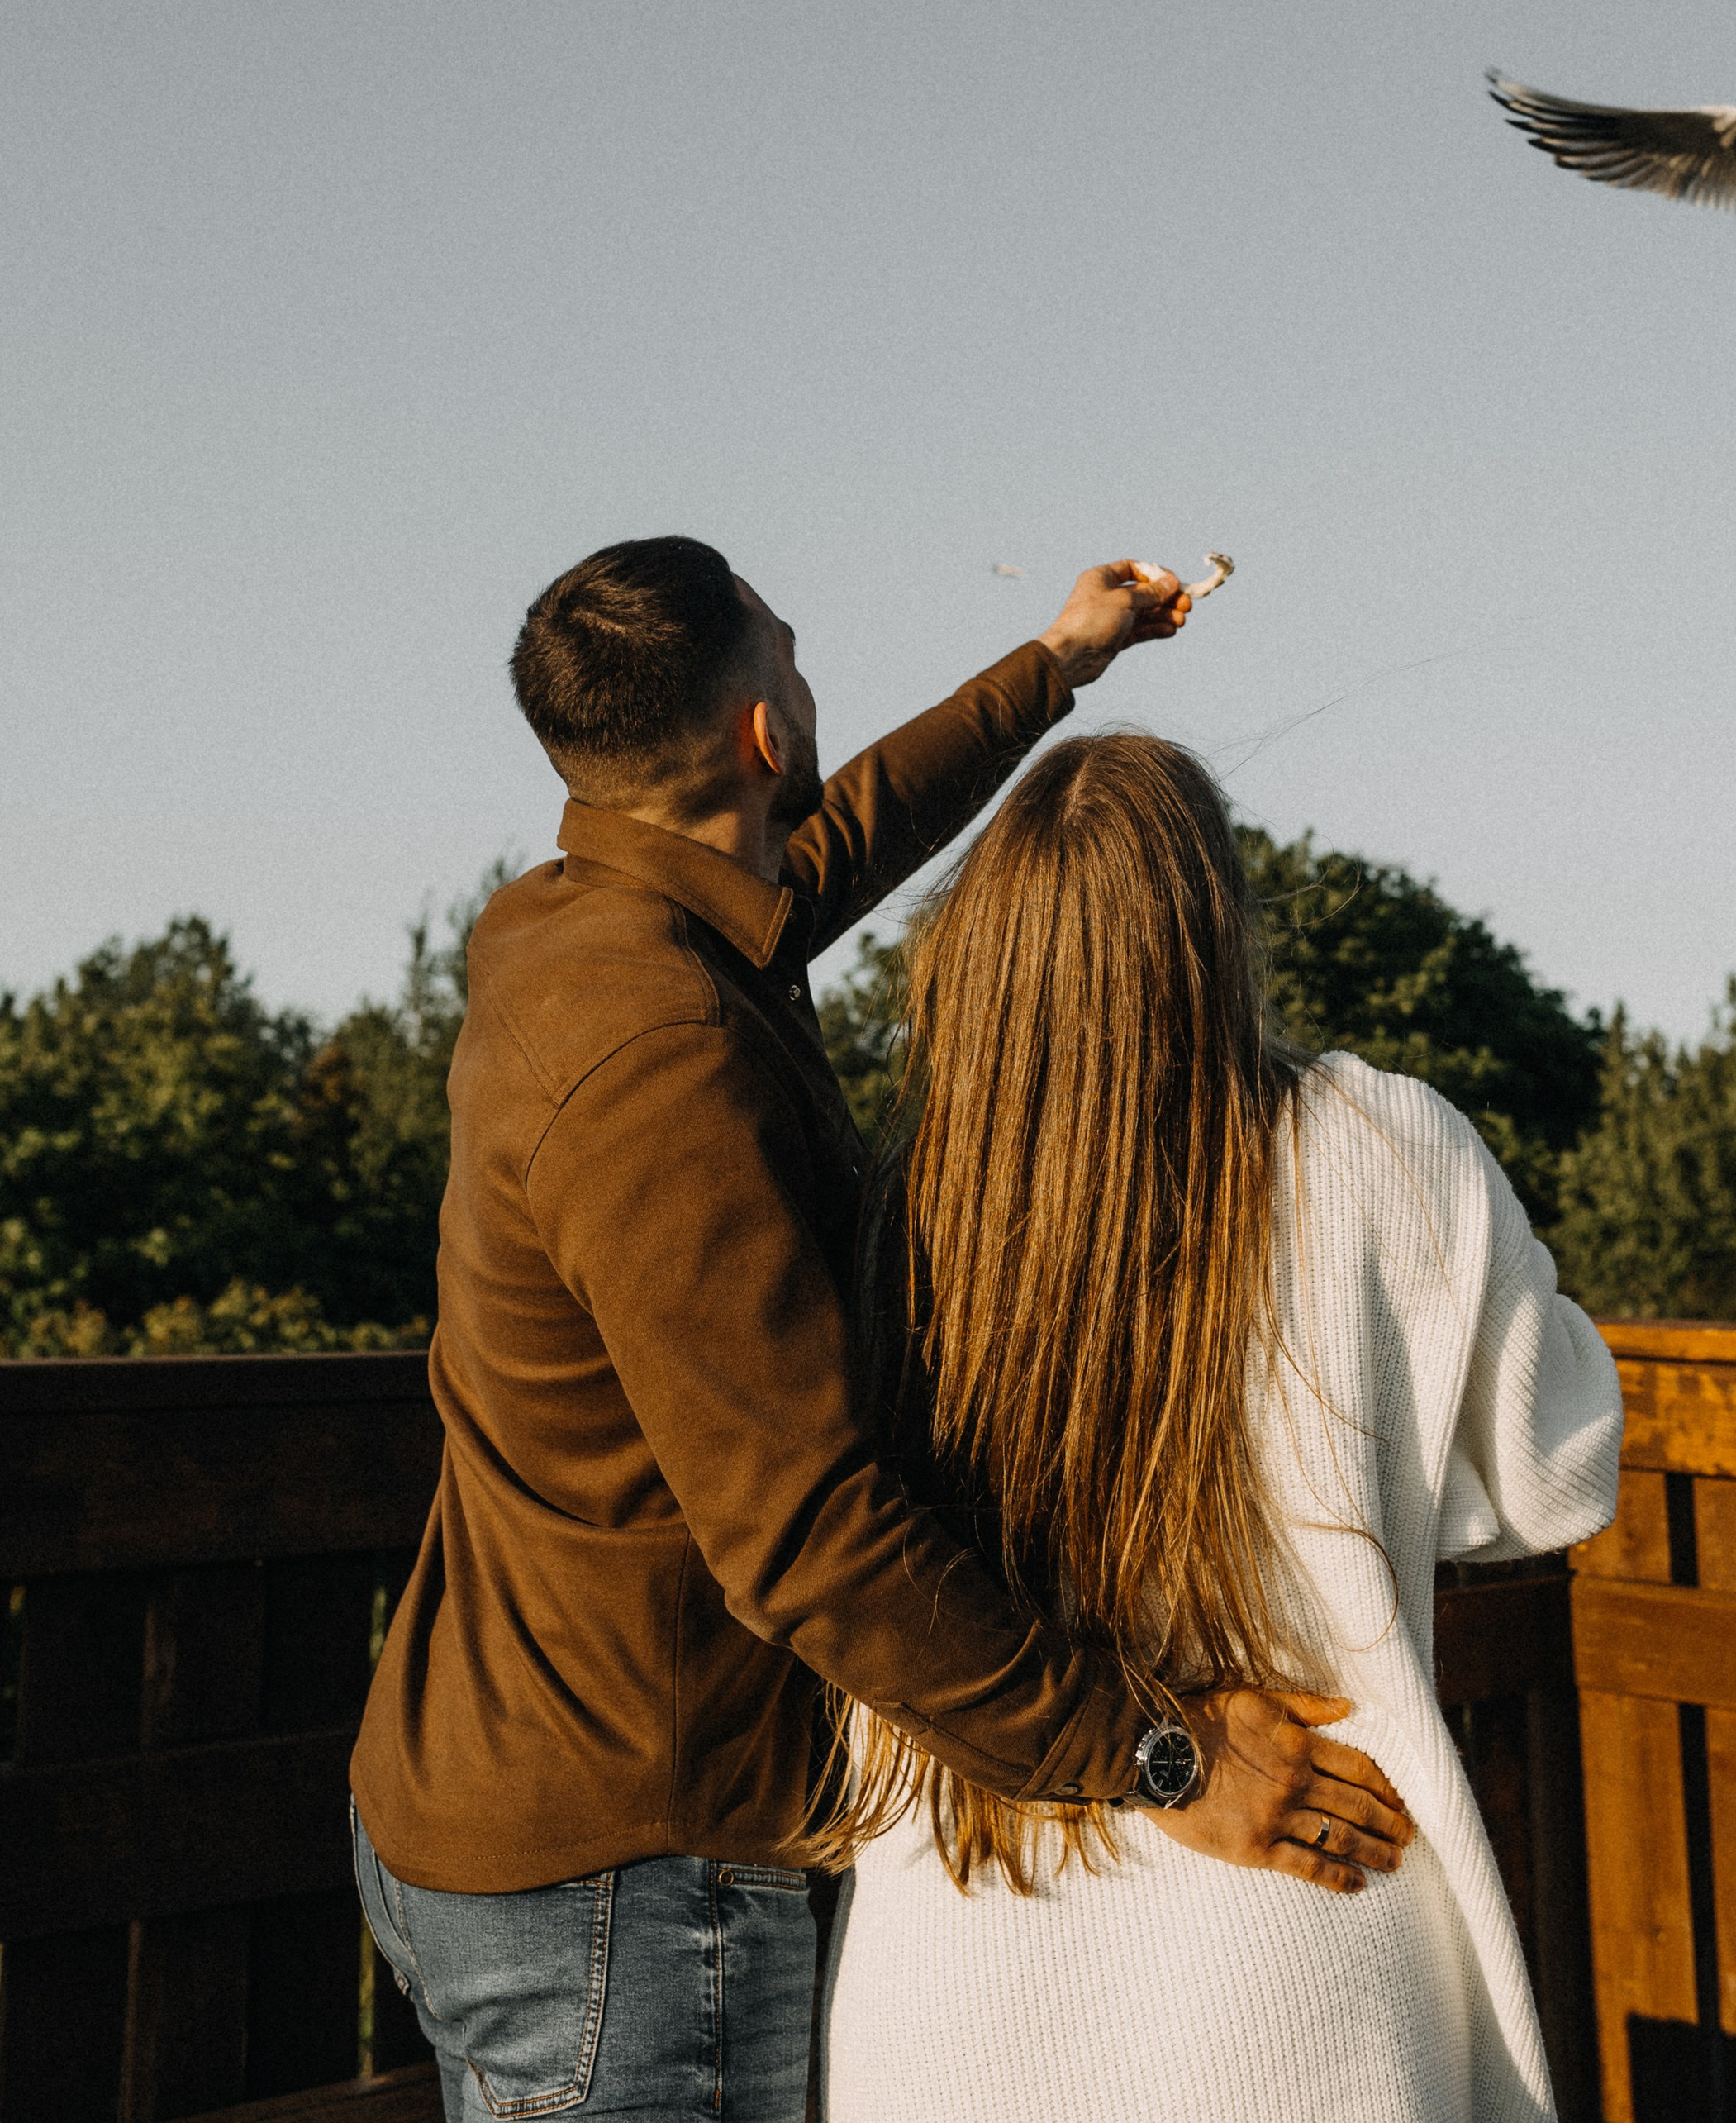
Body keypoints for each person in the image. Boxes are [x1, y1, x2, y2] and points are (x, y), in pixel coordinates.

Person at [350, 539, 1412, 2123]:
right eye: (792, 654)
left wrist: (1060, 663)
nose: (807, 677)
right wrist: (1158, 1755)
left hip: (502, 1803)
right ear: (761, 733)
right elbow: (808, 1537)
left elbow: (829, 845)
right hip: (632, 1890)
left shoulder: (573, 925)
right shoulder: (662, 1062)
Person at [821, 730, 1624, 2123]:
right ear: (1218, 932)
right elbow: (1553, 1481)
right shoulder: (1385, 1141)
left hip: (958, 1966)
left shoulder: (899, 1212)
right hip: (1305, 1935)